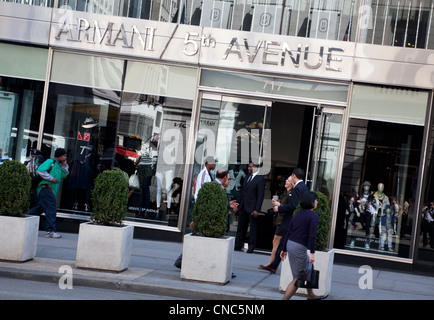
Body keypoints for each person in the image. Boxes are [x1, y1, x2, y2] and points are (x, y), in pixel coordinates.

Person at [261, 168, 309, 273]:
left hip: (291, 220)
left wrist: (280, 208)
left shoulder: (297, 189)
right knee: (283, 242)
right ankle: (273, 265)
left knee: (284, 242)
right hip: (297, 219)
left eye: (291, 176)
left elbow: (293, 205)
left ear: (294, 176)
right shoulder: (305, 187)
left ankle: (275, 265)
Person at [280, 191, 325, 300]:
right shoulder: (313, 216)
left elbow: (289, 232)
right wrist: (313, 253)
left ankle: (310, 295)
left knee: (308, 268)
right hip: (298, 247)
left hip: (291, 244)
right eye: (316, 200)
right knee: (297, 278)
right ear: (312, 202)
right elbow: (312, 236)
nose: (317, 202)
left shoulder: (298, 214)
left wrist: (284, 249)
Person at [26, 148, 69, 238]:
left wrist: (65, 165)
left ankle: (23, 219)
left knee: (39, 209)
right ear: (60, 156)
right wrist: (51, 178)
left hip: (48, 190)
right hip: (46, 188)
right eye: (64, 156)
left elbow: (64, 175)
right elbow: (40, 170)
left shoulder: (58, 165)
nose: (65, 157)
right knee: (51, 208)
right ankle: (50, 231)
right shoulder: (50, 161)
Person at [259, 175, 293, 271]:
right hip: (280, 219)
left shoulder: (291, 193)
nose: (286, 181)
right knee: (276, 242)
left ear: (292, 183)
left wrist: (279, 205)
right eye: (286, 179)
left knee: (276, 242)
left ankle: (271, 264)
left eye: (288, 180)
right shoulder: (286, 193)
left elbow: (289, 207)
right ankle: (272, 263)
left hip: (283, 221)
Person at [234, 161, 265, 253]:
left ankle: (251, 247)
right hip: (243, 206)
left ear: (255, 167)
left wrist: (257, 209)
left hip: (252, 208)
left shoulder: (260, 179)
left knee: (252, 229)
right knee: (240, 227)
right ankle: (238, 245)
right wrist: (238, 203)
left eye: (250, 167)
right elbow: (242, 192)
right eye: (248, 166)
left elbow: (260, 196)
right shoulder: (247, 177)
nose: (248, 168)